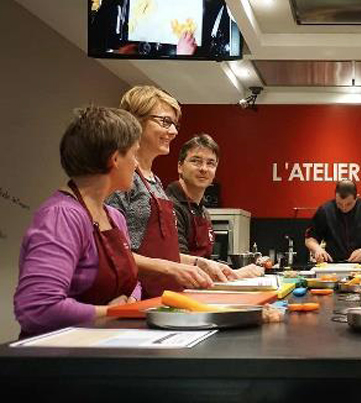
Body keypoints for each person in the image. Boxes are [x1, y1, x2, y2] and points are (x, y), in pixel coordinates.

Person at [14, 106, 142, 337]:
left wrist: (130, 303)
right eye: (134, 154)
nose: (136, 164)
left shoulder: (115, 218)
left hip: (101, 346)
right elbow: (37, 308)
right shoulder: (61, 216)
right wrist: (111, 313)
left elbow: (133, 284)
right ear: (115, 159)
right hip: (59, 355)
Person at [107, 86, 233, 298]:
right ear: (135, 121)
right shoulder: (120, 178)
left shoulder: (155, 181)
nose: (174, 132)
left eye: (175, 124)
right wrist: (172, 268)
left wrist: (198, 263)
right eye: (165, 122)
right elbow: (111, 253)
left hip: (161, 298)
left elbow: (163, 255)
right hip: (131, 298)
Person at [166, 134, 262, 278]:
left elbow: (206, 260)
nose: (204, 168)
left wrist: (232, 271)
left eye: (210, 163)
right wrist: (236, 274)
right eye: (196, 161)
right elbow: (176, 262)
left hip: (199, 286)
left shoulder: (203, 211)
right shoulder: (168, 205)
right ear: (180, 166)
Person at [305, 180, 361, 263]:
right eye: (339, 204)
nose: (344, 208)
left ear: (356, 197)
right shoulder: (325, 210)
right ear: (335, 197)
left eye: (349, 204)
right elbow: (310, 238)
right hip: (332, 264)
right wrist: (317, 249)